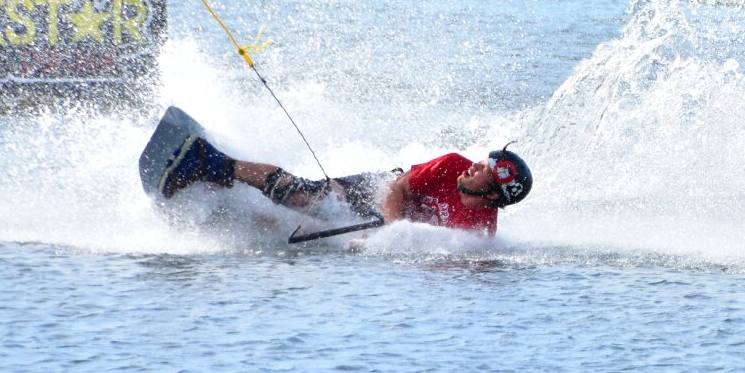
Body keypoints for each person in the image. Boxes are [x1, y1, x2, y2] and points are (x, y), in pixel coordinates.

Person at [157, 133, 532, 236]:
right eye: (483, 160)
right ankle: (208, 161)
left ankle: (227, 212)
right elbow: (398, 188)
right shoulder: (451, 165)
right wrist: (390, 230)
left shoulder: (477, 232)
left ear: (493, 194)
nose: (474, 166)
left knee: (281, 232)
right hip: (381, 190)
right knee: (308, 197)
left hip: (382, 223)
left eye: (485, 169)